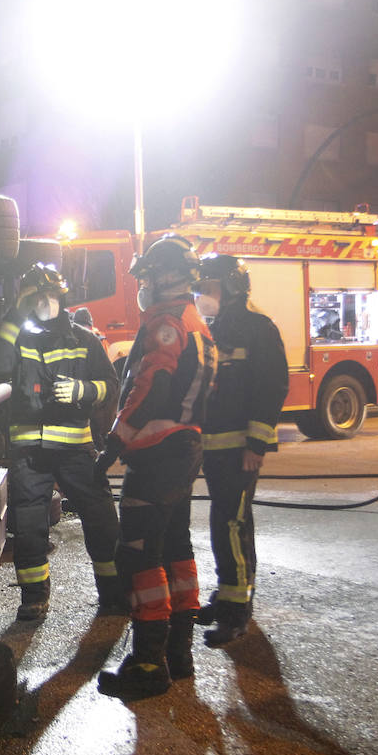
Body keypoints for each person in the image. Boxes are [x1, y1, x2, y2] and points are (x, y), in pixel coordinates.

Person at [95, 234, 215, 699]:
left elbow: (150, 387)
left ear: (166, 277)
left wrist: (113, 444)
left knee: (139, 556)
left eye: (146, 277)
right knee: (175, 549)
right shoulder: (196, 321)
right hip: (184, 450)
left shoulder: (167, 323)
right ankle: (178, 654)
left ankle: (147, 664)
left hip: (157, 453)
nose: (142, 286)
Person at [0, 263, 122, 621]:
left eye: (50, 296)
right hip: (30, 451)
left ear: (62, 298)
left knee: (101, 518)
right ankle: (34, 597)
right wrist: (15, 314)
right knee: (29, 525)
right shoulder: (17, 337)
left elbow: (111, 385)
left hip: (75, 448)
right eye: (36, 297)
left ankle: (113, 592)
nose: (44, 303)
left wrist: (83, 390)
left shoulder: (84, 339)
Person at [193, 254, 289, 647]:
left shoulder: (258, 329)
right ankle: (231, 594)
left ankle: (235, 613)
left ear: (231, 287)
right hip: (215, 447)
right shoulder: (212, 328)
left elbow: (272, 388)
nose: (203, 294)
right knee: (231, 523)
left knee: (229, 525)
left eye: (209, 286)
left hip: (239, 450)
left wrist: (255, 444)